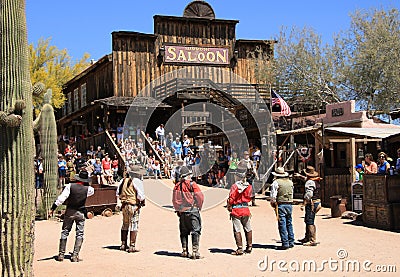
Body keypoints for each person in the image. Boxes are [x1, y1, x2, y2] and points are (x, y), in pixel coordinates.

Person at [49, 171, 94, 262]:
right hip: (80, 212)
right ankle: (75, 256)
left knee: (65, 231)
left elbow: (61, 199)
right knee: (79, 233)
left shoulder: (70, 186)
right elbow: (90, 191)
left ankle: (61, 254)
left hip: (70, 211)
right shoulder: (89, 189)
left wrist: (53, 208)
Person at [172, 166, 204, 259]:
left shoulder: (177, 186)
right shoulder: (192, 184)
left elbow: (175, 200)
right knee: (195, 230)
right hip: (193, 210)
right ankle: (195, 252)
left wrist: (178, 210)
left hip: (182, 212)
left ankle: (184, 250)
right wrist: (199, 206)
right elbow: (200, 196)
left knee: (184, 232)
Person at [116, 165, 146, 253]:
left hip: (124, 205)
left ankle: (123, 244)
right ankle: (132, 245)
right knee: (134, 224)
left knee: (125, 224)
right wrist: (142, 202)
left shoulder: (123, 180)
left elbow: (118, 193)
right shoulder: (137, 181)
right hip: (133, 205)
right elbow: (141, 196)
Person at [226, 161, 253, 255]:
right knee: (248, 228)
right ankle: (249, 246)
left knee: (237, 229)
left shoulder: (234, 186)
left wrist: (229, 206)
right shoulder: (249, 186)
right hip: (245, 208)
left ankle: (240, 248)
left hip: (236, 209)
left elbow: (231, 198)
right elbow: (250, 198)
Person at [269, 167, 294, 250]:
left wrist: (272, 202)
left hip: (281, 204)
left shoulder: (276, 183)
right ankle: (291, 241)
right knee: (289, 222)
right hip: (289, 203)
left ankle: (285, 242)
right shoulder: (290, 182)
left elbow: (273, 195)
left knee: (282, 223)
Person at [299, 166, 321, 247]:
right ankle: (307, 237)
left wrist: (304, 202)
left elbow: (309, 194)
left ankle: (312, 239)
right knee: (308, 219)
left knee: (310, 221)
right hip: (317, 202)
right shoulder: (314, 181)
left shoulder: (310, 183)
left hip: (312, 203)